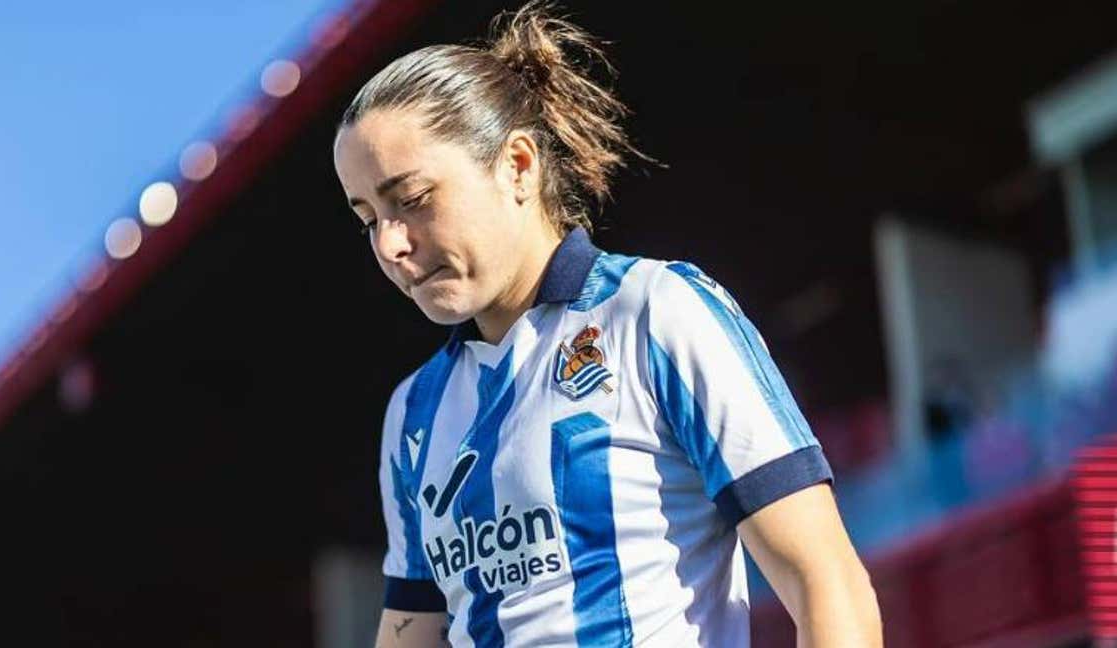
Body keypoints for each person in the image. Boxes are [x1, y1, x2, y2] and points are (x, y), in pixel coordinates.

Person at [332, 3, 881, 646]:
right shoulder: (414, 414)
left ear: (517, 165)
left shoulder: (655, 311)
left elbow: (825, 580)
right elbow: (410, 633)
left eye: (413, 199)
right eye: (368, 217)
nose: (390, 244)